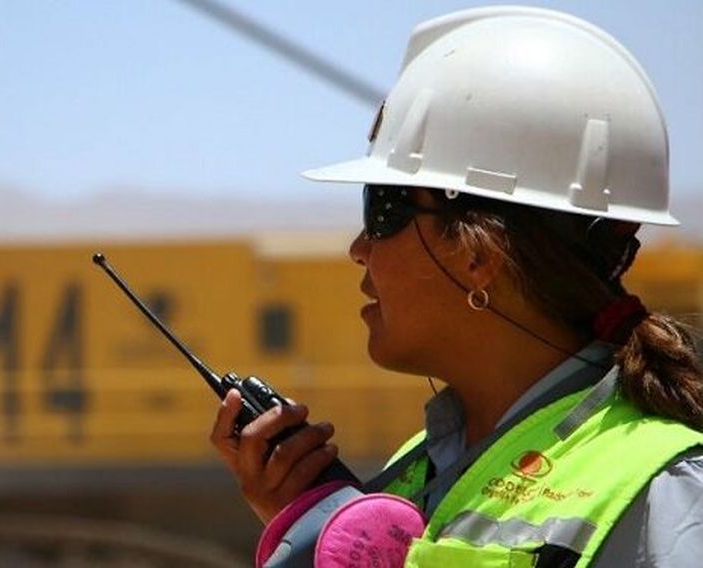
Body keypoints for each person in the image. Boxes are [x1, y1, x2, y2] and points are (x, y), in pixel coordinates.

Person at [209, 6, 703, 567]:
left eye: (384, 209)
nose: (358, 248)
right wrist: (310, 526)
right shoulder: (420, 468)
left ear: (476, 254)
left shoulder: (668, 495)